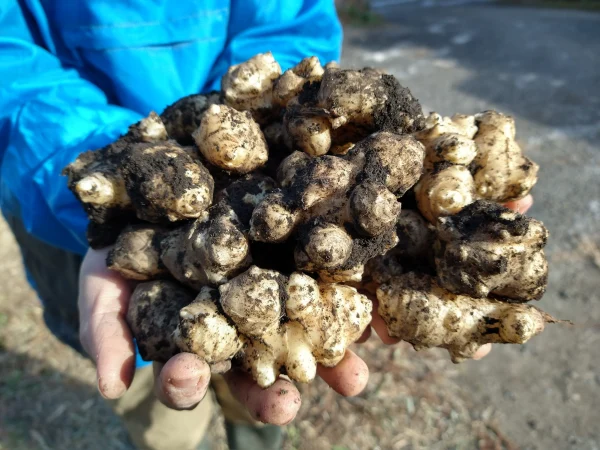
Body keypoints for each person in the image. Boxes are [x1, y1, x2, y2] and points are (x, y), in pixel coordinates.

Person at [0, 1, 534, 449]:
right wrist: (101, 162)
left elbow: (291, 20)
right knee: (154, 396)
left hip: (227, 129)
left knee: (262, 393)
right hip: (59, 178)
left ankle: (250, 432)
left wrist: (280, 99)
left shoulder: (331, 175)